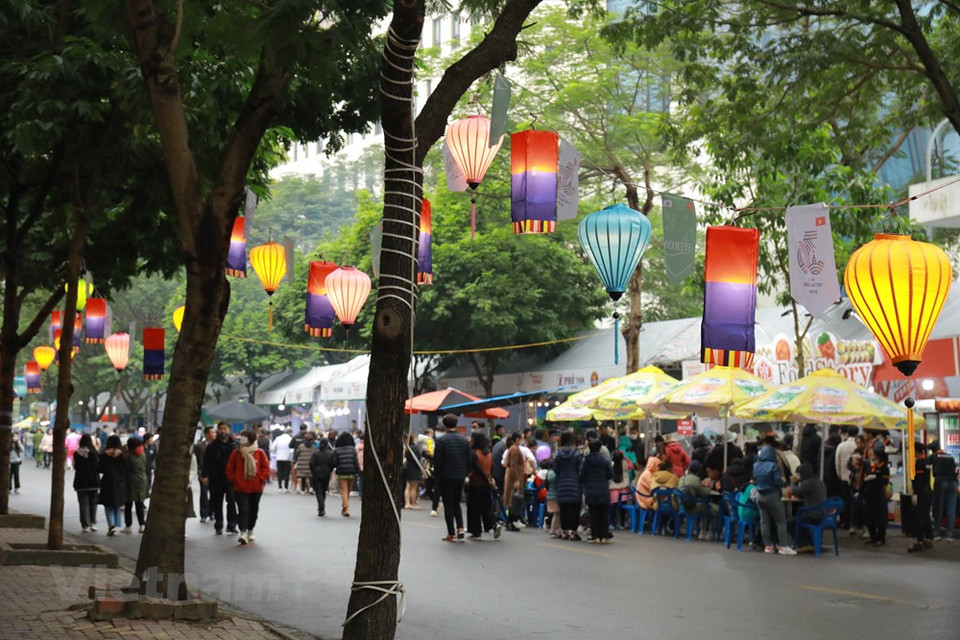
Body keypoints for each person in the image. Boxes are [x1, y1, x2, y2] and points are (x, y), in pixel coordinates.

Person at [225, 430, 269, 544]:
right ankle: (243, 532)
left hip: (256, 487)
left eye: (245, 437)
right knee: (243, 510)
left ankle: (250, 530)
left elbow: (265, 468)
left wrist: (261, 479)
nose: (242, 439)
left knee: (253, 510)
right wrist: (235, 480)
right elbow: (230, 469)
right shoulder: (236, 453)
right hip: (240, 487)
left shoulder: (259, 452)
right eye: (241, 437)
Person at [752, 442, 796, 555]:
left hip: (760, 495)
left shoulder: (756, 465)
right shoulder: (773, 466)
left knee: (764, 522)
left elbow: (755, 478)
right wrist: (783, 481)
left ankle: (768, 546)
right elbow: (778, 481)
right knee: (780, 521)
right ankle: (783, 546)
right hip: (772, 495)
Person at [433, 414, 471, 542]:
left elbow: (437, 461)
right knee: (456, 503)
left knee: (448, 504)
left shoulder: (441, 441)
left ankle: (451, 532)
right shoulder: (464, 440)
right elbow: (468, 459)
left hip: (446, 476)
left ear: (444, 425)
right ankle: (460, 527)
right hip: (460, 475)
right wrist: (465, 473)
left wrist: (436, 477)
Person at [202, 422, 238, 535]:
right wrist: (204, 476)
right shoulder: (211, 446)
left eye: (225, 429)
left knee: (231, 501)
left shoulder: (234, 446)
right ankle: (219, 524)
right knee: (217, 502)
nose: (223, 431)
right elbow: (205, 462)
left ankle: (232, 525)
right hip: (215, 478)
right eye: (220, 429)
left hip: (230, 479)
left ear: (229, 430)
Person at [466, 432, 500, 539]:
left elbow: (476, 469)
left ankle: (476, 531)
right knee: (486, 507)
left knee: (473, 508)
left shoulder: (474, 453)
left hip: (475, 483)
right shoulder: (488, 453)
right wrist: (489, 480)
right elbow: (491, 468)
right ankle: (493, 524)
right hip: (486, 485)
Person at [581, 438, 614, 544]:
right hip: (603, 490)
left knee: (593, 514)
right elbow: (610, 475)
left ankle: (595, 537)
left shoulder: (586, 461)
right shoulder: (605, 461)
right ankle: (604, 536)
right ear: (600, 448)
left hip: (590, 490)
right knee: (604, 514)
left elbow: (581, 476)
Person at [789, 463, 827, 552]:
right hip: (824, 514)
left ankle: (804, 544)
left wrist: (793, 482)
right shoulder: (819, 482)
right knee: (800, 519)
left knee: (790, 522)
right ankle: (810, 543)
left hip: (814, 514)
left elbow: (793, 491)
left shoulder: (808, 483)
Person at [554, 430, 583, 541]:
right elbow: (580, 469)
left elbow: (556, 469)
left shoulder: (558, 455)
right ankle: (573, 532)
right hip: (575, 484)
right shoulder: (577, 454)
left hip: (562, 484)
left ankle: (565, 531)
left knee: (564, 509)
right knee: (575, 508)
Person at [678, 460, 718, 540]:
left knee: (704, 506)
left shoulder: (682, 479)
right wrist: (707, 486)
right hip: (693, 507)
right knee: (715, 509)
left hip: (682, 506)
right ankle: (710, 532)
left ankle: (702, 531)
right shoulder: (696, 480)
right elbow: (705, 493)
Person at [97, 435, 128, 536]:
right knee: (117, 503)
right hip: (120, 481)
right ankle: (116, 524)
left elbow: (99, 468)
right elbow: (126, 468)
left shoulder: (105, 455)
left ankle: (111, 524)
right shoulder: (122, 455)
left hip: (107, 480)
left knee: (108, 504)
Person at [929, 440, 957, 542]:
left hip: (941, 482)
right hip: (953, 483)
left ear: (933, 450)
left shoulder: (934, 456)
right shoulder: (949, 456)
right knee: (951, 509)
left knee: (938, 507)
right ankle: (950, 534)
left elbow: (925, 465)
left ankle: (936, 532)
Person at [861, 448, 890, 546]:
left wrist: (876, 478)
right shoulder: (870, 466)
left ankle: (881, 538)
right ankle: (873, 537)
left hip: (879, 494)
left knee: (880, 517)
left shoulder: (884, 468)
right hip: (869, 494)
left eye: (873, 455)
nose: (871, 457)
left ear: (879, 457)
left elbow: (885, 481)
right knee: (869, 516)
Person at [909, 442, 934, 553]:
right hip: (928, 491)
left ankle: (920, 541)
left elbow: (918, 480)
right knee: (926, 515)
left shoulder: (919, 463)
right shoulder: (927, 461)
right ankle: (929, 538)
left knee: (919, 516)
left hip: (921, 492)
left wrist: (915, 493)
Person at [123, 436, 149, 534]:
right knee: (139, 504)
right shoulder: (143, 454)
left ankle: (128, 525)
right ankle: (142, 525)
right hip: (142, 479)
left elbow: (126, 468)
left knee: (128, 504)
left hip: (130, 481)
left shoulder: (128, 456)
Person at [74, 434, 99, 532]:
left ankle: (85, 525)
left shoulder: (76, 453)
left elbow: (75, 466)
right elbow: (97, 466)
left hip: (80, 481)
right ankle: (93, 523)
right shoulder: (94, 453)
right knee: (93, 503)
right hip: (93, 481)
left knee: (83, 504)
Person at [332, 431, 360, 517]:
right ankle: (344, 509)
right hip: (352, 473)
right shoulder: (353, 449)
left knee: (343, 491)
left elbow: (334, 462)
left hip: (342, 473)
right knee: (347, 491)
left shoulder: (337, 450)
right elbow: (356, 462)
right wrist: (357, 472)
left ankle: (346, 508)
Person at [501, 433, 526, 531]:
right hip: (514, 477)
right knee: (514, 499)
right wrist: (516, 479)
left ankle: (512, 521)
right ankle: (512, 521)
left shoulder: (512, 448)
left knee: (512, 500)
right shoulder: (515, 449)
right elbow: (513, 465)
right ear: (517, 439)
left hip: (512, 476)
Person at [194, 426, 215, 523]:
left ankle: (212, 512)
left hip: (215, 473)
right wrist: (200, 473)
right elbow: (197, 460)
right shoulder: (199, 446)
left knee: (214, 494)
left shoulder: (217, 445)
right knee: (204, 493)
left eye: (215, 432)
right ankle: (203, 514)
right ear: (207, 434)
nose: (214, 434)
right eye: (212, 432)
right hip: (203, 472)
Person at [309, 438, 335, 516]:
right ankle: (322, 505)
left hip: (317, 473)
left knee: (318, 491)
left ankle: (321, 506)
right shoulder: (330, 454)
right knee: (323, 490)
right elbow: (333, 464)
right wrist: (330, 470)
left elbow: (311, 463)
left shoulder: (316, 453)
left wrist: (313, 471)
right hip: (326, 473)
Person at [271, 427, 294, 492]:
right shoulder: (290, 439)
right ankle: (286, 487)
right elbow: (292, 450)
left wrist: (277, 452)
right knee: (286, 472)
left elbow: (273, 448)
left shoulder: (278, 438)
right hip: (287, 458)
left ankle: (280, 487)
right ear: (290, 432)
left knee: (280, 472)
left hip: (279, 457)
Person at [403, 434, 423, 510]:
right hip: (414, 469)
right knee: (414, 487)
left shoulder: (407, 448)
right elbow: (417, 459)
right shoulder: (414, 448)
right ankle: (413, 503)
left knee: (408, 486)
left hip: (408, 467)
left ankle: (407, 503)